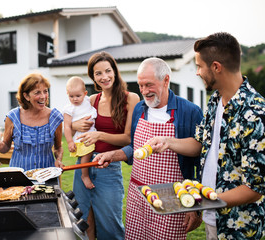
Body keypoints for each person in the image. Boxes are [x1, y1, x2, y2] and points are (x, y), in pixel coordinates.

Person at [147, 32, 265, 240]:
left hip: (238, 226)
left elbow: (254, 188)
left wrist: (206, 199)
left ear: (216, 67)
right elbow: (200, 144)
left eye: (200, 66)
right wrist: (168, 142)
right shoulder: (214, 101)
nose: (197, 72)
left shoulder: (255, 113)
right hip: (212, 217)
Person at [93, 57, 204, 240]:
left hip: (172, 199)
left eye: (149, 85)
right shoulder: (139, 109)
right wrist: (114, 155)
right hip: (138, 196)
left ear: (166, 80)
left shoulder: (190, 111)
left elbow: (200, 155)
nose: (144, 91)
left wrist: (195, 205)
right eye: (140, 85)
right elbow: (135, 147)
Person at [71, 51, 140, 240]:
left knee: (110, 226)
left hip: (109, 167)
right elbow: (71, 122)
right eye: (98, 73)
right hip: (83, 166)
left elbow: (128, 138)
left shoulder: (131, 98)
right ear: (93, 77)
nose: (104, 77)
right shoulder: (91, 100)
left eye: (108, 71)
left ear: (115, 72)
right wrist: (74, 126)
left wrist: (100, 135)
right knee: (82, 222)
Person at [0, 73, 64, 170]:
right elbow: (6, 146)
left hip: (47, 176)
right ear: (26, 96)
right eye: (37, 92)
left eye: (45, 91)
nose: (43, 96)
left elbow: (58, 148)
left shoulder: (55, 117)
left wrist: (58, 159)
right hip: (19, 177)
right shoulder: (12, 117)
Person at [63, 76, 97, 189]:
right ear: (67, 94)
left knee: (90, 153)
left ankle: (86, 174)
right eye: (71, 96)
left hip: (93, 133)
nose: (75, 99)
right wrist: (69, 142)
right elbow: (67, 127)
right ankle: (84, 175)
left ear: (85, 93)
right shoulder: (69, 109)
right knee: (86, 154)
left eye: (78, 96)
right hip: (81, 137)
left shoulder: (88, 100)